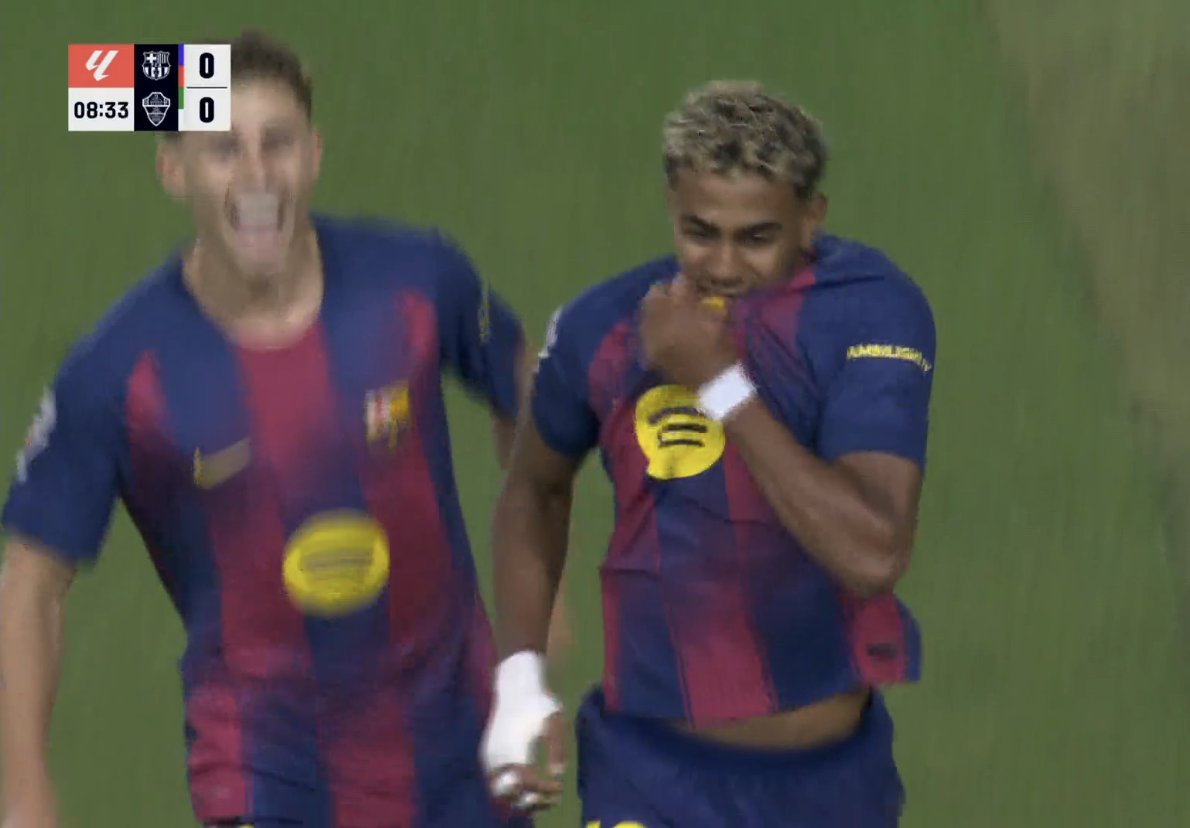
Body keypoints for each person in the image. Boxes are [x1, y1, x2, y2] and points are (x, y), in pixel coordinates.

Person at [0, 29, 543, 828]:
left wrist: (533, 563)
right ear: (174, 172)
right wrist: (24, 791)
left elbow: (521, 386)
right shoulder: (119, 372)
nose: (257, 177)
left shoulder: (419, 280)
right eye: (223, 150)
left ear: (314, 155)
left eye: (277, 143)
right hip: (265, 776)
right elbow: (32, 581)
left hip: (465, 754)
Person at [481, 80, 937, 825]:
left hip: (828, 784)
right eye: (700, 232)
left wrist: (719, 384)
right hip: (648, 777)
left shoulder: (872, 310)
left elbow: (872, 551)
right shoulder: (604, 326)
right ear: (672, 206)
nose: (723, 264)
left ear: (811, 217)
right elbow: (535, 488)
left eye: (756, 237)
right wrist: (519, 679)